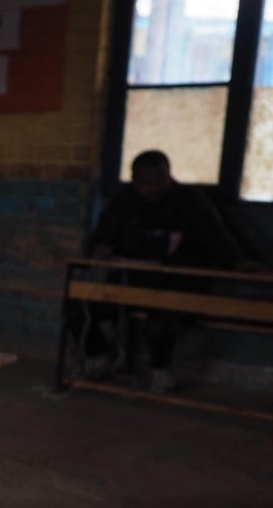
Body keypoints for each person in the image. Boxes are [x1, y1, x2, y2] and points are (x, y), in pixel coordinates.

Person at [71, 150, 263, 390]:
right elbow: (103, 235)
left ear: (167, 176)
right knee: (77, 308)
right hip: (133, 278)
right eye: (142, 182)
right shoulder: (126, 201)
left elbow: (216, 237)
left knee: (160, 323)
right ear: (133, 178)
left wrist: (239, 262)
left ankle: (159, 370)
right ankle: (98, 357)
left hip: (178, 280)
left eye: (154, 181)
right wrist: (100, 248)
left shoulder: (190, 201)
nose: (148, 188)